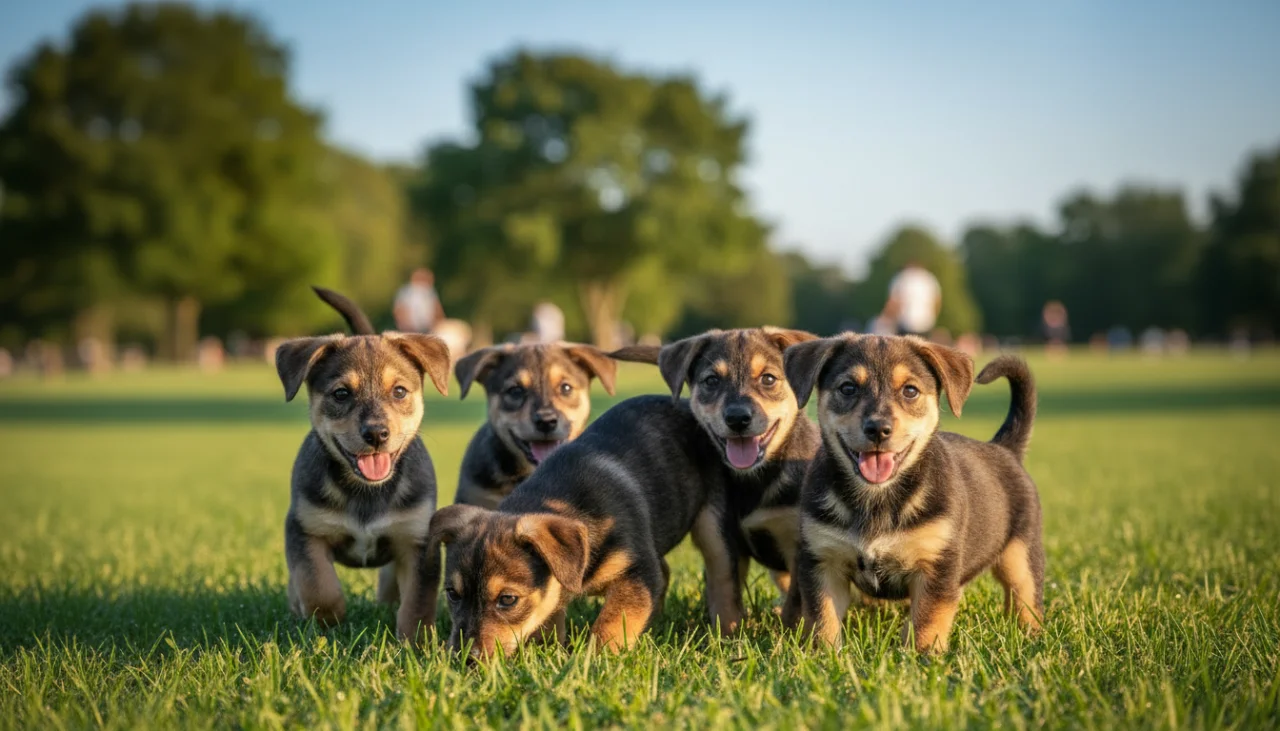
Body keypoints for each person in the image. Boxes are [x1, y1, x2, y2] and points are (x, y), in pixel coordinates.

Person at [883, 260, 942, 337]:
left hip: (905, 323)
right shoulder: (929, 278)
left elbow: (893, 302)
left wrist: (890, 318)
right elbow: (937, 301)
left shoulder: (901, 278)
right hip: (926, 323)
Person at [393, 268, 446, 335]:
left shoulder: (430, 291)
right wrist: (405, 324)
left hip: (428, 328)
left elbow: (437, 307)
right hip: (410, 329)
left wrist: (440, 322)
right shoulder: (406, 291)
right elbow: (399, 309)